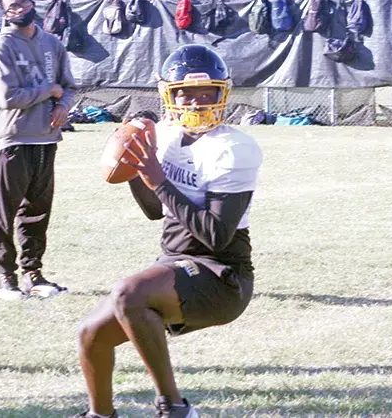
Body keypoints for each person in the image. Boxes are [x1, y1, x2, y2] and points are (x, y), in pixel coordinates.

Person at [74, 45, 263, 418]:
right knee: (91, 335)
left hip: (221, 274)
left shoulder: (233, 147)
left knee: (129, 293)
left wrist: (158, 179)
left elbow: (216, 236)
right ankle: (100, 415)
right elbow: (153, 210)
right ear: (168, 95)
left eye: (207, 92)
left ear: (223, 93)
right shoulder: (167, 136)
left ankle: (175, 408)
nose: (196, 102)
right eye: (185, 93)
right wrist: (135, 165)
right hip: (174, 262)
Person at [0, 0, 77, 300]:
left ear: (32, 2)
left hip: (47, 139)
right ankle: (6, 277)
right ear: (5, 13)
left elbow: (69, 87)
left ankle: (33, 273)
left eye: (23, 2)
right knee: (6, 212)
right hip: (16, 138)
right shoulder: (3, 46)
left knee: (38, 210)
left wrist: (63, 106)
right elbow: (7, 97)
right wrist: (48, 91)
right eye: (13, 7)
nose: (21, 9)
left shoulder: (52, 43)